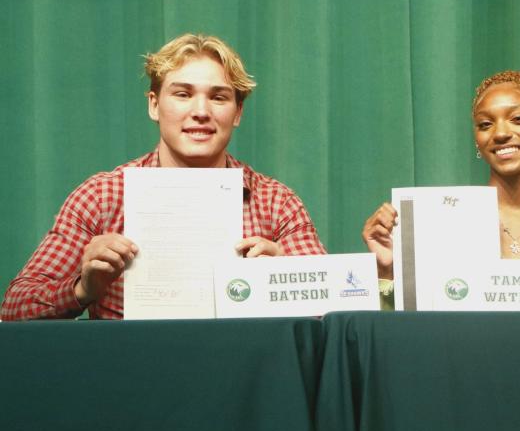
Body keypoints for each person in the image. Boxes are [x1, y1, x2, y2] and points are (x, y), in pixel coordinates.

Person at [1, 33, 325, 320]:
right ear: (154, 105)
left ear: (237, 113)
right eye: (182, 94)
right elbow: (13, 309)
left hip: (240, 375)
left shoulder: (276, 203)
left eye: (218, 97)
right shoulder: (101, 196)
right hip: (131, 376)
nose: (201, 111)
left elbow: (335, 307)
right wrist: (83, 289)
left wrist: (288, 280)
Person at [362, 70, 520, 305]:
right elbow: (409, 330)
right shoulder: (440, 224)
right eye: (485, 124)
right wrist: (387, 271)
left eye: (518, 119)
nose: (500, 133)